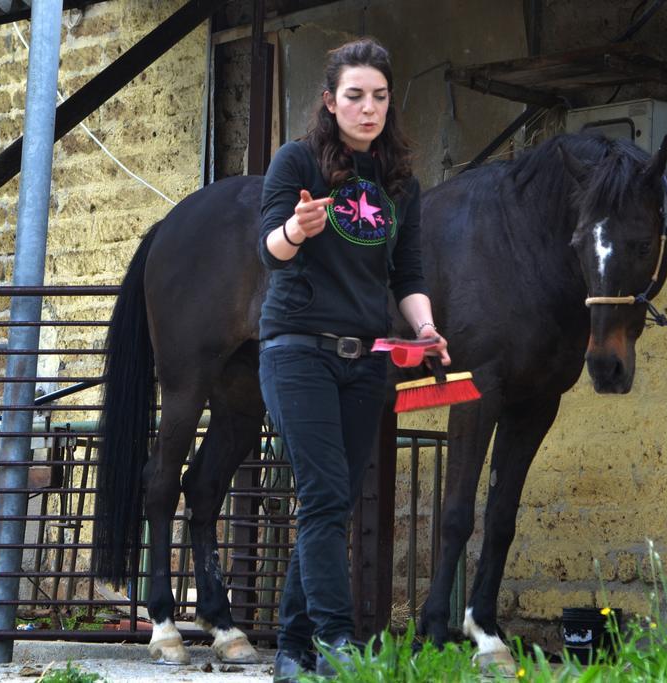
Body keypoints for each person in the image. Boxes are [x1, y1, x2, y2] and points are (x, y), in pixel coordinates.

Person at [257, 38, 450, 681]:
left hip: (367, 359)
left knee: (331, 505)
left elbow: (409, 271)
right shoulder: (297, 162)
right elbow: (268, 252)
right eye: (354, 96)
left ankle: (292, 650)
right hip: (297, 350)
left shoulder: (399, 183)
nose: (368, 109)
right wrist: (296, 230)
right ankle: (338, 643)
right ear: (330, 101)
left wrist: (423, 329)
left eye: (379, 97)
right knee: (324, 493)